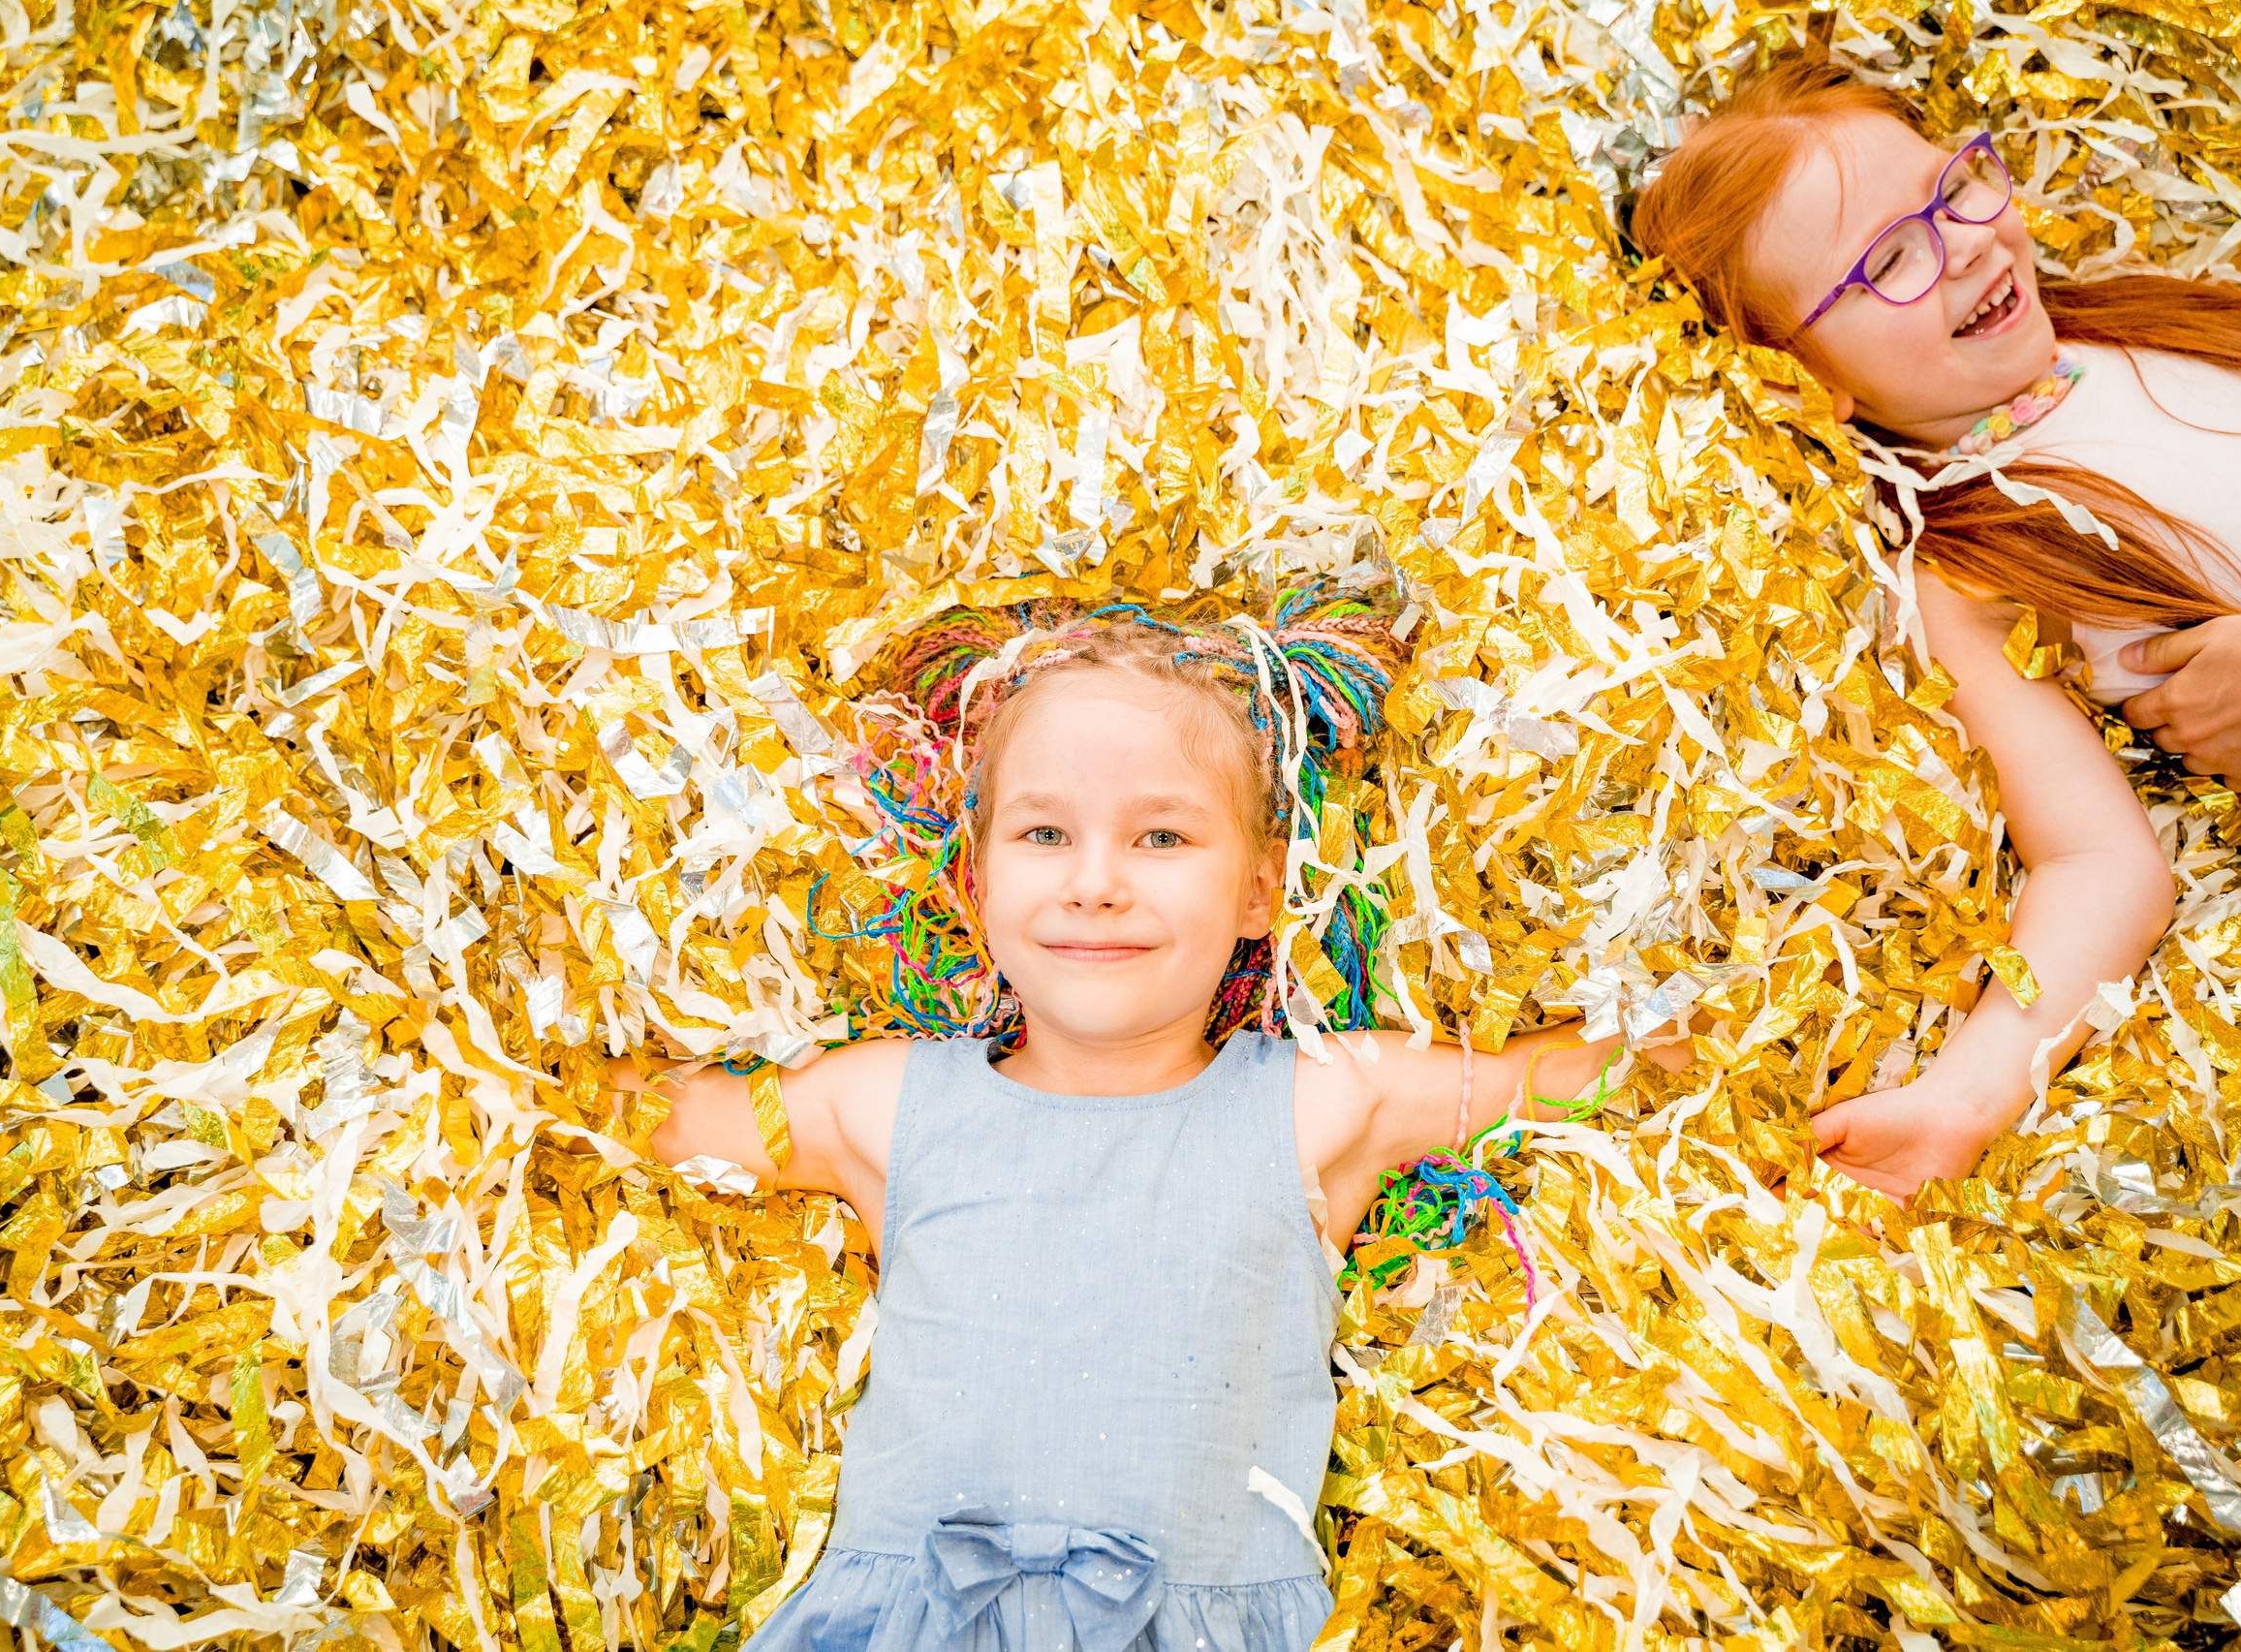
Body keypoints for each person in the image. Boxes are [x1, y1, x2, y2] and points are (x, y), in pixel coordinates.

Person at [606, 603, 1654, 1652]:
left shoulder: (1321, 1102)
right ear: (976, 885)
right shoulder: (885, 1103)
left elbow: (1579, 1075)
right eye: (1044, 834)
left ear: (1258, 889)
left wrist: (1785, 1056)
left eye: (1161, 836)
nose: (1095, 883)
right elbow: (600, 1105)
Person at [1633, 57, 2241, 1198]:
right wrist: (1968, 1094)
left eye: (1957, 187)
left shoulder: (2136, 324)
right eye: (1888, 259)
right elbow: (2094, 857)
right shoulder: (1968, 560)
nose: (1968, 243)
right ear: (1798, 383)